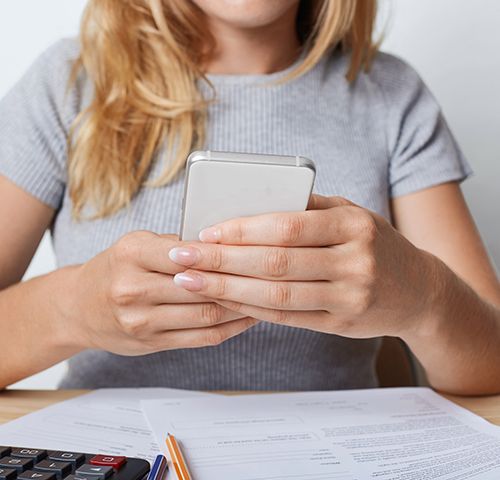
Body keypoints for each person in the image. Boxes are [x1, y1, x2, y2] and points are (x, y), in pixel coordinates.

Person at [0, 0, 499, 394]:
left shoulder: (391, 95)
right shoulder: (68, 84)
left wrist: (423, 296)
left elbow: (491, 366)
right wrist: (70, 309)